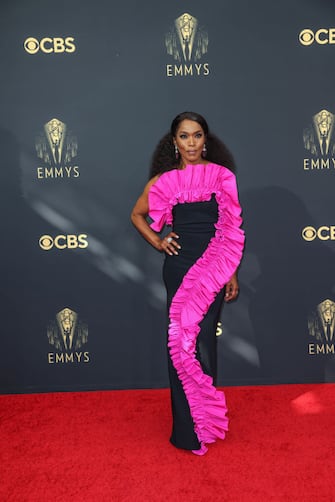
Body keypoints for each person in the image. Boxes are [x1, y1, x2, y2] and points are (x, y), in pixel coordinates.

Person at [131, 111, 245, 455]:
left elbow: (230, 229)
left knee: (204, 343)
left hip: (213, 267)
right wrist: (158, 241)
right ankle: (187, 430)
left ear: (205, 139)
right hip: (179, 267)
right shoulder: (163, 181)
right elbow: (137, 215)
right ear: (174, 142)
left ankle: (205, 422)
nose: (191, 142)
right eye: (184, 136)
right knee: (181, 345)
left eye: (196, 135)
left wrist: (231, 272)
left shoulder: (222, 176)